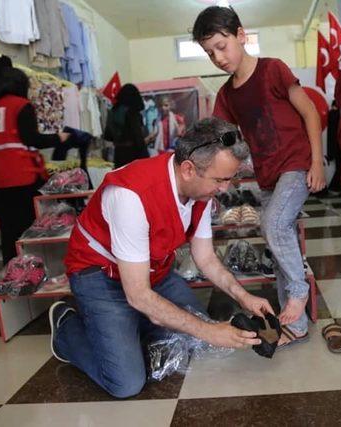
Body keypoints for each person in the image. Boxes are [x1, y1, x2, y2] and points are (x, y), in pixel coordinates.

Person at [49, 117, 275, 398]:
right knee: (127, 383)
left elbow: (205, 259)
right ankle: (66, 328)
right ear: (189, 169)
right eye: (220, 179)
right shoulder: (132, 195)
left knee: (191, 339)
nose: (225, 189)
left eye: (229, 179)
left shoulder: (200, 194)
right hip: (99, 274)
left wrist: (244, 297)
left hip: (152, 271)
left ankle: (134, 324)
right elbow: (139, 295)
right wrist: (209, 330)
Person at [192, 6, 327, 348]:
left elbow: (309, 111)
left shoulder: (272, 70)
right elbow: (219, 137)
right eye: (210, 53)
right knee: (279, 245)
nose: (218, 58)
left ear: (240, 34)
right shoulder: (225, 95)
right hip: (267, 175)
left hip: (296, 164)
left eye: (222, 46)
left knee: (273, 225)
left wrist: (317, 161)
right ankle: (295, 326)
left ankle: (299, 292)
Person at [0, 67, 70, 264]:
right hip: (22, 174)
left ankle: (11, 270)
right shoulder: (22, 105)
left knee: (8, 229)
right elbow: (32, 139)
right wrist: (58, 138)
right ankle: (33, 268)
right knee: (29, 226)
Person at [104, 83, 150, 168]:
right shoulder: (132, 112)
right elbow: (137, 137)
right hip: (133, 154)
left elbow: (107, 136)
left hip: (118, 153)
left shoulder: (113, 111)